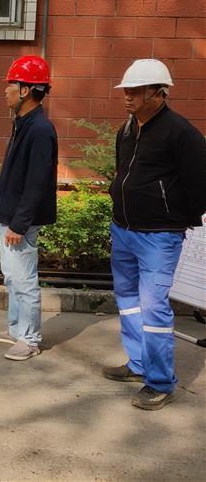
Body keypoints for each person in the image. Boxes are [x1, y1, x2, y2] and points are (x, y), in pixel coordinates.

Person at [102, 58, 205, 410]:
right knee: (128, 300)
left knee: (153, 307)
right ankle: (138, 363)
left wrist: (183, 221)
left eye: (136, 91)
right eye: (126, 90)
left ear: (159, 93)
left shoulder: (181, 132)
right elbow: (123, 172)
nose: (127, 96)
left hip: (159, 236)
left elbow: (199, 183)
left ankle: (160, 382)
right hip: (123, 229)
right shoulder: (127, 129)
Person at [0, 56, 57, 362]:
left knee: (24, 280)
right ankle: (17, 329)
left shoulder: (39, 129)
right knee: (12, 277)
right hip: (10, 216)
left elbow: (37, 182)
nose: (6, 90)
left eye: (11, 85)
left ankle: (29, 339)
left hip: (19, 222)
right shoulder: (24, 123)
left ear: (26, 90)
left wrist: (19, 223)